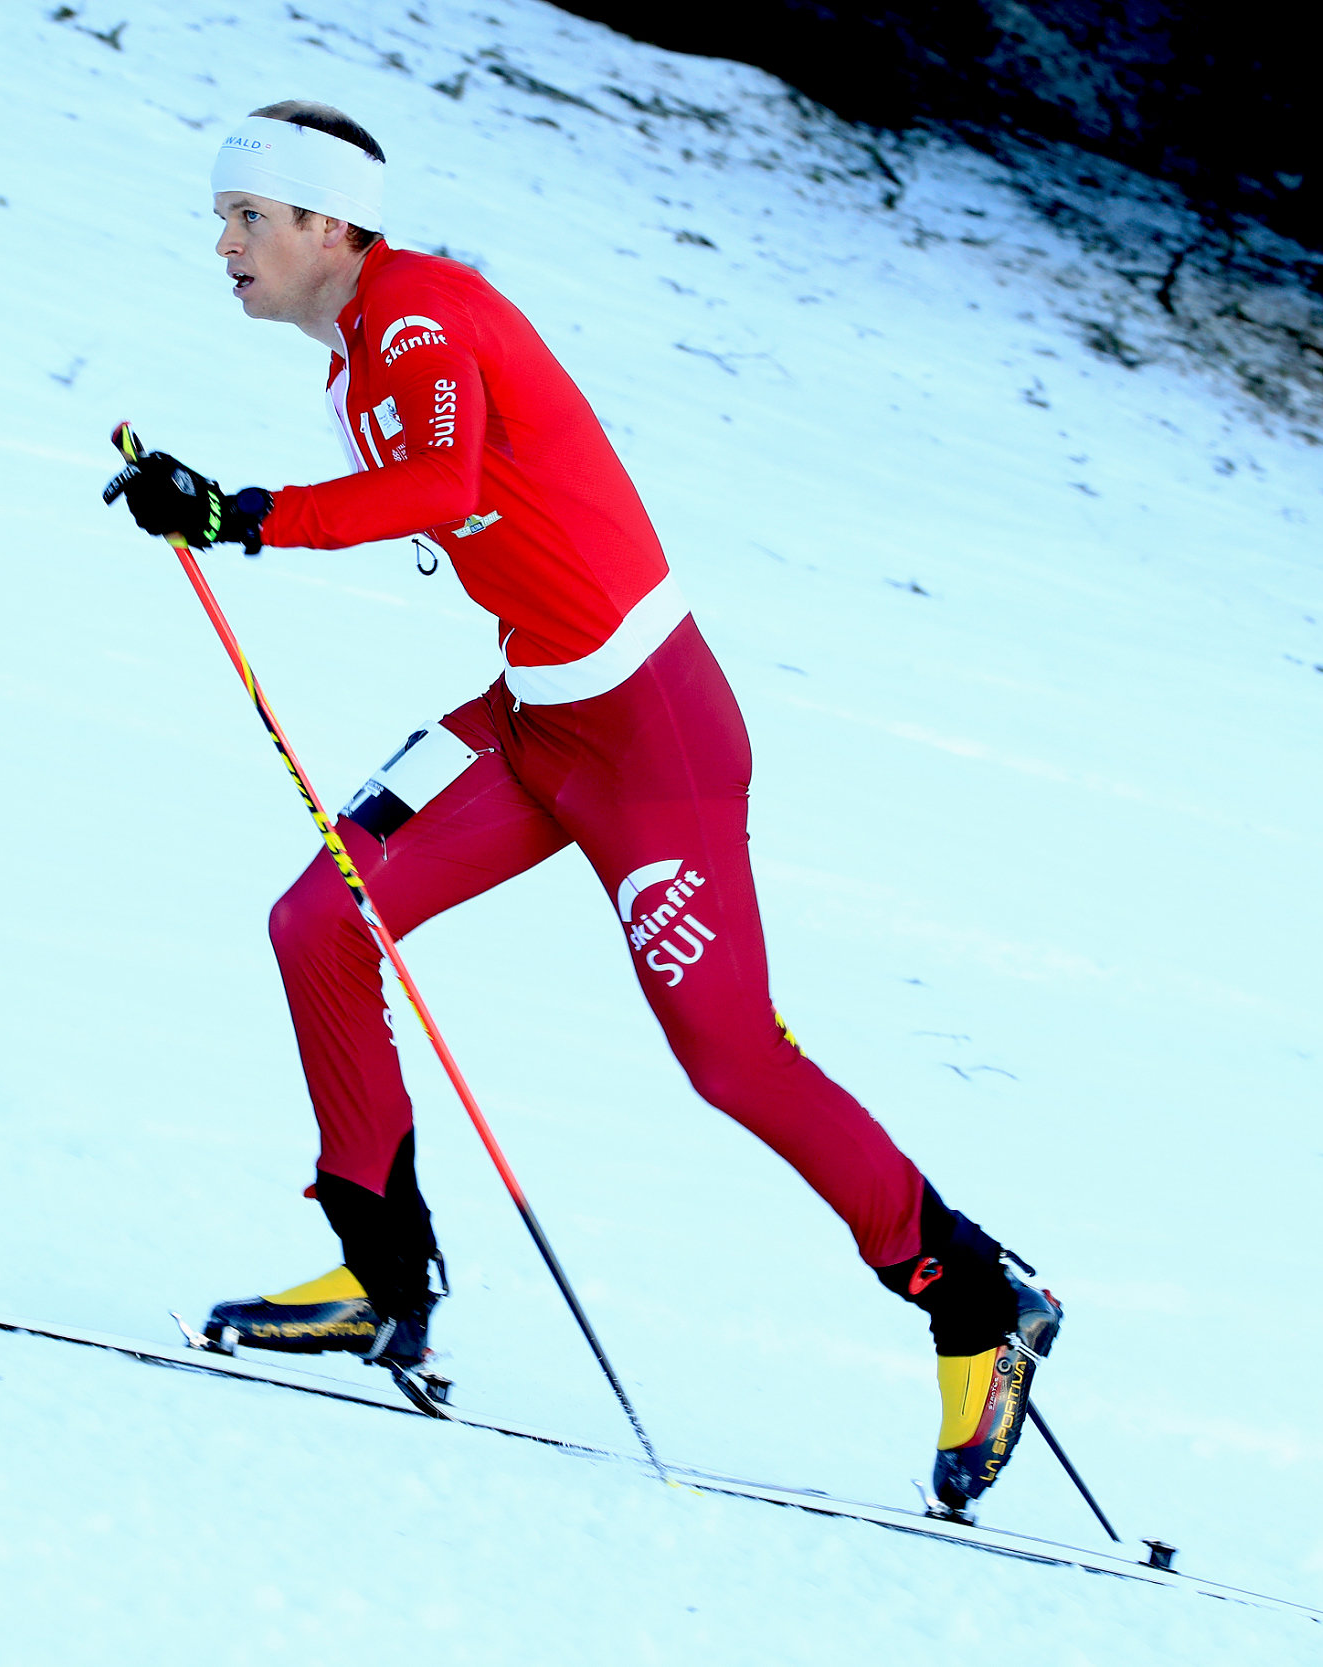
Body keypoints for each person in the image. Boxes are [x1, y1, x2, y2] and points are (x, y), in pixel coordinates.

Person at [105, 100, 1058, 1518]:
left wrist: (243, 515)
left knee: (730, 1057)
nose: (225, 244)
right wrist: (230, 511)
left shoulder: (419, 320)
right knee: (321, 920)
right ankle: (380, 1284)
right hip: (537, 715)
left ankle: (976, 1299)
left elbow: (442, 482)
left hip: (652, 739)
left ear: (327, 225)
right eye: (221, 218)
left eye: (249, 217)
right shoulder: (369, 341)